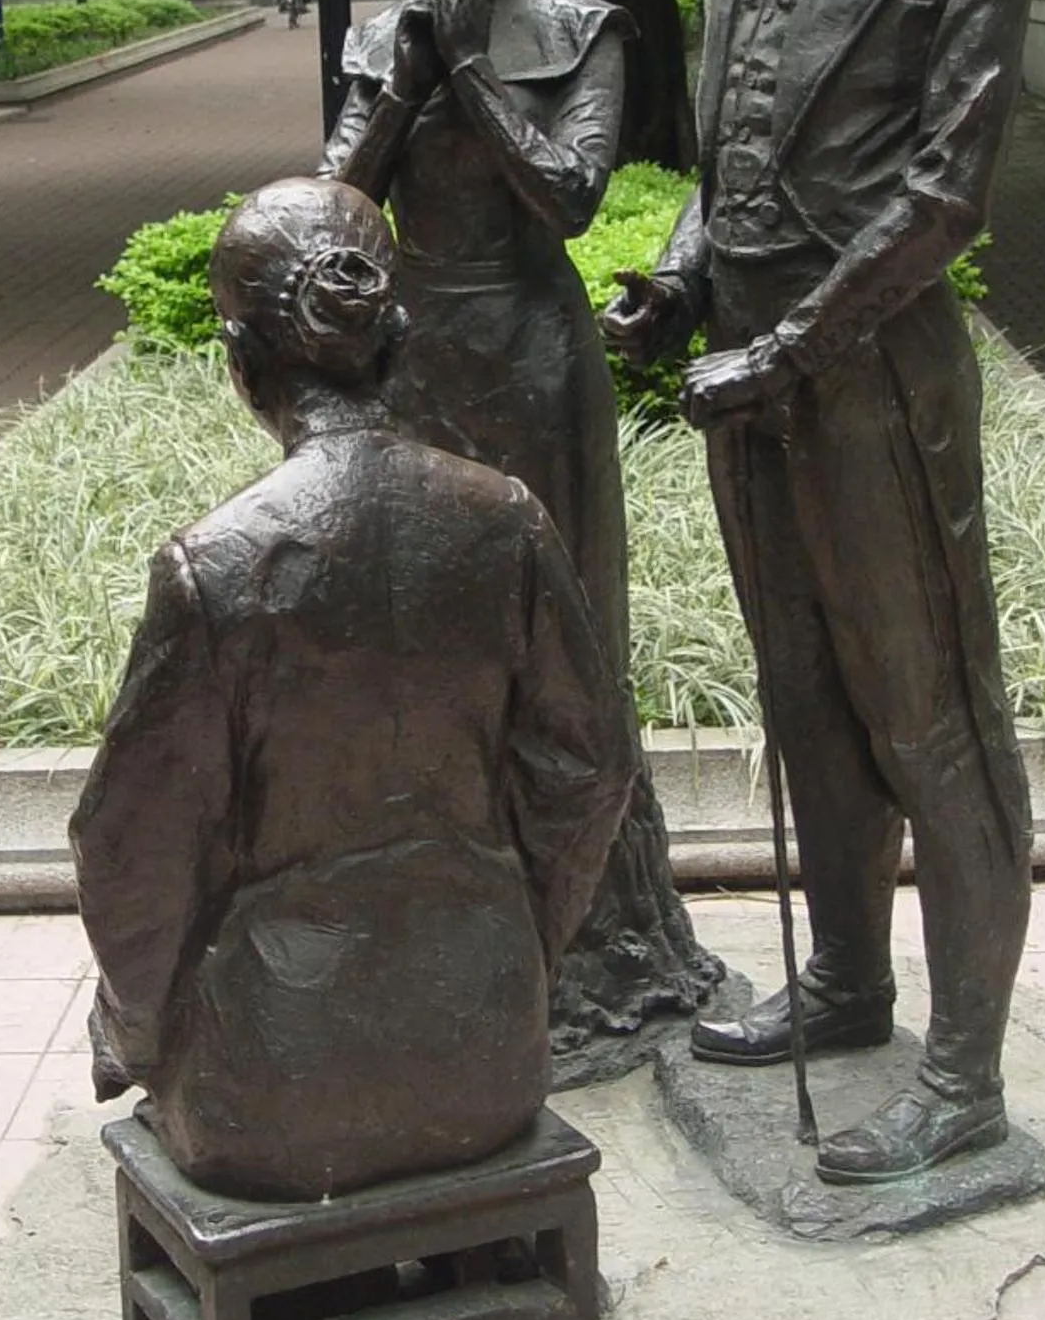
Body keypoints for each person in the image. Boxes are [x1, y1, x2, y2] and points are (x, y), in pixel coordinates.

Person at [603, 0, 1034, 1186]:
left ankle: (967, 1074)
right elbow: (737, 167)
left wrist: (783, 351)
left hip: (870, 387)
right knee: (805, 702)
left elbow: (938, 203)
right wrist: (673, 273)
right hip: (752, 387)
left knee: (934, 720)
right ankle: (849, 986)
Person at [71, 178, 633, 1201]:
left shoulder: (214, 568)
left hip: (275, 1086)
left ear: (240, 365)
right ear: (400, 333)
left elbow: (128, 847)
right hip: (488, 1046)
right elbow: (589, 774)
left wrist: (134, 1032)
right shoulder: (506, 521)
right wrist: (512, 949)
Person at [322, 0, 720, 1063]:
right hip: (418, 365)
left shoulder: (586, 29)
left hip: (539, 368)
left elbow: (568, 194)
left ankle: (596, 939)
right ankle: (440, 926)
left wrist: (477, 75)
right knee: (427, 640)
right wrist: (404, 83)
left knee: (562, 637)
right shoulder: (386, 32)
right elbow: (338, 209)